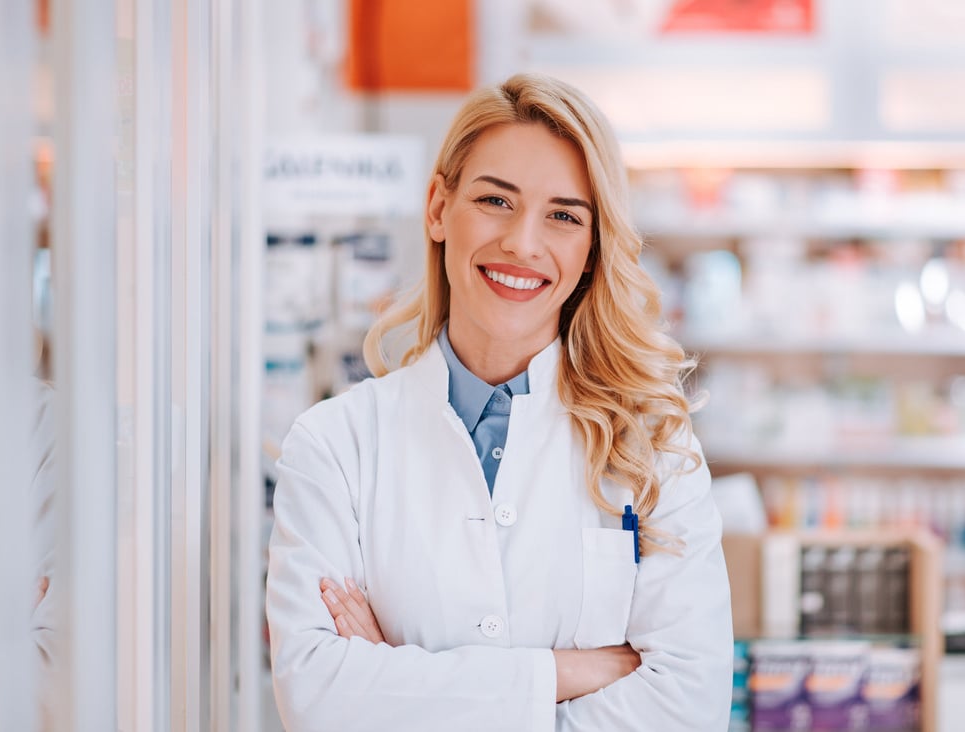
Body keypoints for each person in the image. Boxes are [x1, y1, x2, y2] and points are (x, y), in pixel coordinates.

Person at [265, 72, 733, 732]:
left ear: (593, 249)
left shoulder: (652, 443)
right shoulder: (335, 445)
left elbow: (690, 705)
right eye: (495, 201)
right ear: (436, 208)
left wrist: (396, 678)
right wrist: (572, 671)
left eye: (564, 216)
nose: (522, 243)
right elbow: (318, 700)